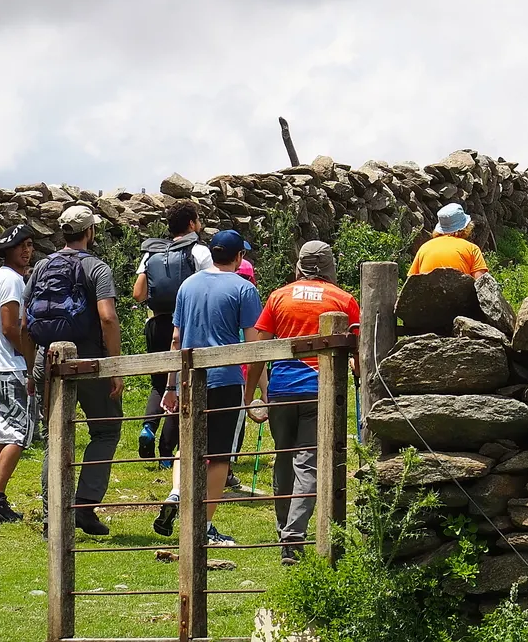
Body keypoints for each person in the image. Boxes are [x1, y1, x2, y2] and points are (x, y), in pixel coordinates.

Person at [245, 240, 361, 564]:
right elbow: (359, 349)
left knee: (283, 460)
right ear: (329, 266)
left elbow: (257, 351)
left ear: (299, 265)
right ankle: (293, 538)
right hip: (318, 391)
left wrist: (250, 394)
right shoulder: (344, 300)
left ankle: (285, 529)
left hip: (281, 390)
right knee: (308, 462)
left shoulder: (278, 297)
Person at [153, 230, 264, 547]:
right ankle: (203, 526)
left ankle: (176, 493)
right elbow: (254, 344)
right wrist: (257, 390)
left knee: (186, 448)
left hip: (189, 380)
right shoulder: (244, 289)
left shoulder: (188, 285)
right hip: (226, 380)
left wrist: (170, 386)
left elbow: (176, 340)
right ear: (238, 257)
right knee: (218, 457)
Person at [28, 204, 124, 537]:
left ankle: (51, 518)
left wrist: (31, 369)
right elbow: (108, 317)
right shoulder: (96, 268)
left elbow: (28, 322)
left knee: (53, 439)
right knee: (107, 429)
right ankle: (84, 505)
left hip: (47, 359)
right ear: (90, 232)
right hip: (88, 360)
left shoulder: (40, 267)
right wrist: (115, 366)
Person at [132, 202, 212, 464]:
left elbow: (138, 293)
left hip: (156, 325)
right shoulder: (199, 251)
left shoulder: (150, 253)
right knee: (182, 384)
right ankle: (167, 453)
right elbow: (207, 289)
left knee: (159, 383)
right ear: (191, 224)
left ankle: (148, 426)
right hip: (187, 325)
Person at [0, 223, 38, 524]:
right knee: (18, 434)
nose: (27, 251)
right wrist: (31, 356)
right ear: (7, 251)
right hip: (10, 367)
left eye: (29, 245)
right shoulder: (13, 281)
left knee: (1, 436)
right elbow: (10, 326)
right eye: (20, 246)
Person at [407, 203, 489, 278]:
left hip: (427, 293)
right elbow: (480, 283)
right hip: (460, 293)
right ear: (466, 227)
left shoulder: (424, 249)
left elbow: (411, 281)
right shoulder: (472, 249)